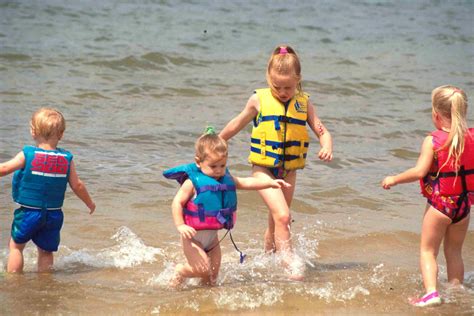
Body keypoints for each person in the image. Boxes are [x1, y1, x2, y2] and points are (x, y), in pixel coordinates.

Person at [219, 45, 333, 276]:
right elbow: (236, 124)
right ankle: (289, 263)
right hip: (263, 171)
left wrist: (327, 145)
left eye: (288, 87)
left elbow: (322, 131)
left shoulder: (304, 103)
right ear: (268, 79)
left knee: (275, 221)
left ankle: (267, 262)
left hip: (289, 171)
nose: (282, 92)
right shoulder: (258, 100)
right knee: (283, 216)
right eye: (276, 86)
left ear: (298, 80)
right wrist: (218, 140)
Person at [163, 127, 291, 287]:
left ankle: (204, 302)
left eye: (222, 166)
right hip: (192, 238)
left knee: (212, 277)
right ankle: (180, 271)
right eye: (213, 166)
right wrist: (180, 225)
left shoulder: (226, 179)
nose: (218, 171)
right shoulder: (192, 183)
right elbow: (177, 202)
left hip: (212, 239)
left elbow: (247, 182)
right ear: (198, 162)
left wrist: (270, 183)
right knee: (202, 269)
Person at [382, 85, 472, 307]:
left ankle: (431, 293)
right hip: (463, 206)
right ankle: (456, 289)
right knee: (454, 251)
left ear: (436, 115)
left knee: (427, 251)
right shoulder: (471, 138)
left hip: (440, 206)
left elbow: (419, 172)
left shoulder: (433, 141)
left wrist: (394, 178)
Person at [0, 107, 96, 273]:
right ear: (61, 134)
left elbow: (4, 169)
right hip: (53, 215)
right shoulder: (66, 159)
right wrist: (90, 203)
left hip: (28, 212)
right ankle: (45, 281)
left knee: (16, 246)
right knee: (46, 251)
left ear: (33, 131)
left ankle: (14, 280)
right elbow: (77, 185)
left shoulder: (27, 154)